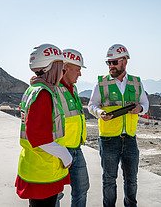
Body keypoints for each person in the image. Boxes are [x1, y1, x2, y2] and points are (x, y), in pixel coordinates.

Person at [88, 44, 149, 207]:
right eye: (108, 63)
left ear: (124, 61)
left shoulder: (136, 82)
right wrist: (100, 113)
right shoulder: (101, 83)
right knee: (109, 180)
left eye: (114, 62)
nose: (111, 66)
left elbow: (145, 104)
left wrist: (140, 109)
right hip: (108, 140)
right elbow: (91, 105)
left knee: (131, 180)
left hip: (129, 139)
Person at [15, 44, 72, 207]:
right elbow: (38, 137)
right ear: (53, 68)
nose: (63, 73)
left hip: (36, 165)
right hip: (42, 171)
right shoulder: (43, 94)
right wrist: (65, 154)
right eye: (62, 68)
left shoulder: (34, 89)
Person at [55, 49, 90, 206]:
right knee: (55, 193)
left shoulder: (73, 88)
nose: (80, 74)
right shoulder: (53, 89)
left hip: (76, 148)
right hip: (60, 149)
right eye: (77, 69)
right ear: (66, 68)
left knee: (82, 188)